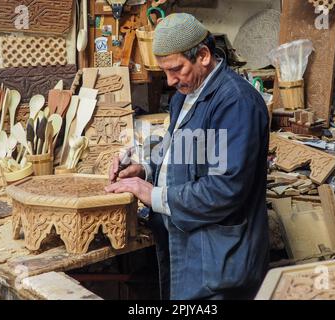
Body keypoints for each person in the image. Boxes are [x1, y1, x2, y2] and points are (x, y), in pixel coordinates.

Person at [105, 13, 269, 300]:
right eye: (164, 72)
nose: (170, 81)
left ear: (203, 56)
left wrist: (152, 195)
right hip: (188, 247)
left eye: (176, 69)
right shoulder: (186, 93)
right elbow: (176, 146)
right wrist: (143, 167)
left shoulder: (234, 103)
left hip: (220, 260)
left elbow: (224, 189)